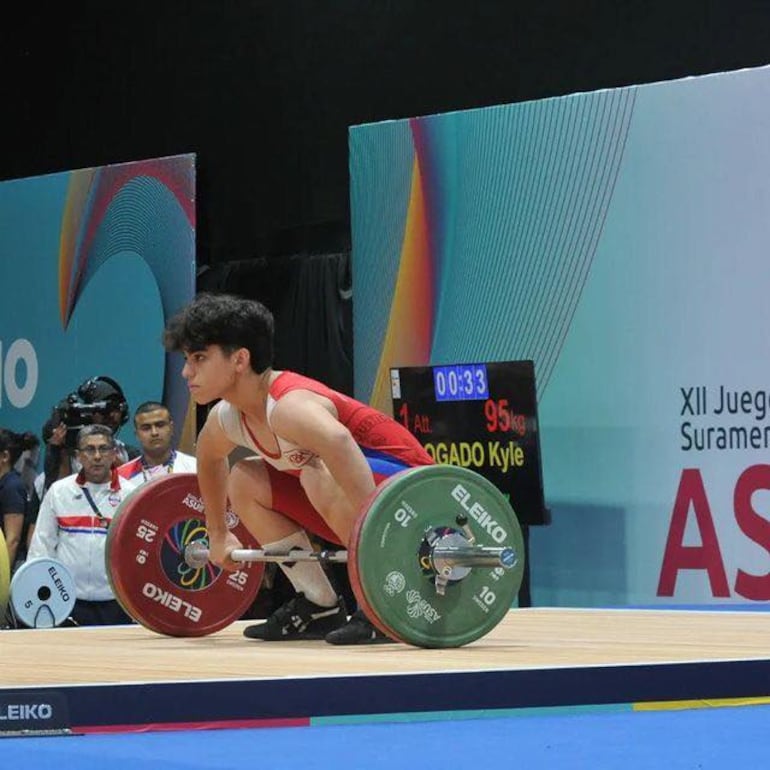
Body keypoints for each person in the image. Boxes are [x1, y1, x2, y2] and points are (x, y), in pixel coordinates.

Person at [163, 292, 434, 645]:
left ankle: (385, 596)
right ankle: (319, 603)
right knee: (244, 479)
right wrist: (217, 533)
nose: (187, 371)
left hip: (416, 500)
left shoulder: (289, 404)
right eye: (186, 359)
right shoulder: (227, 418)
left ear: (240, 359)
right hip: (355, 505)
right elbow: (210, 458)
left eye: (199, 358)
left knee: (315, 468)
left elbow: (338, 443)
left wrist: (377, 532)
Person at [27, 424, 138, 626]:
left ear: (114, 454)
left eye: (103, 449)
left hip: (117, 602)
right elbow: (41, 547)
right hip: (67, 601)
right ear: (78, 455)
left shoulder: (132, 495)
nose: (97, 456)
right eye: (89, 449)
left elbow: (138, 551)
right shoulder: (59, 492)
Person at [41, 376, 140, 493]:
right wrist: (59, 449)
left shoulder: (128, 454)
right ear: (88, 413)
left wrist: (110, 457)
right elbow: (60, 497)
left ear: (124, 414)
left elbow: (136, 491)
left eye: (115, 409)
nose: (111, 415)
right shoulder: (65, 452)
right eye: (103, 410)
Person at [118, 400, 197, 484]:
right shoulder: (121, 477)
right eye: (146, 428)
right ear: (137, 434)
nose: (154, 432)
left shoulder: (195, 468)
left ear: (171, 428)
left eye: (160, 425)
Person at [0, 429, 40, 570]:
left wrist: (2, 578)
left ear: (4, 456)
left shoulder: (11, 486)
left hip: (10, 567)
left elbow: (13, 540)